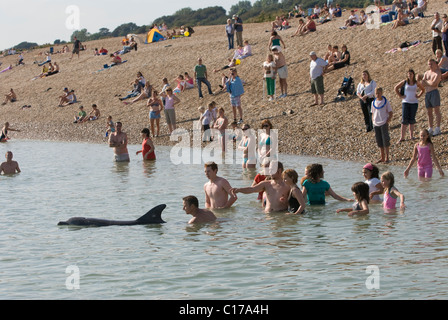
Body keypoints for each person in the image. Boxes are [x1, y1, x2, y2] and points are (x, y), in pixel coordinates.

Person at [394, 69, 425, 142]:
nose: (409, 75)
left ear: (413, 74)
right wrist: (400, 96)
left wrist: (419, 95)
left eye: (411, 74)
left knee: (412, 119)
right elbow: (396, 88)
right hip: (406, 102)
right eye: (408, 74)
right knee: (404, 120)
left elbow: (423, 89)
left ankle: (411, 136)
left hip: (414, 102)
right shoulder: (405, 82)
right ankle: (402, 137)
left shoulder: (416, 82)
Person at [419, 59, 442, 136]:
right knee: (429, 112)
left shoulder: (437, 72)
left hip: (434, 92)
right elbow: (423, 83)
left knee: (436, 110)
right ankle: (430, 127)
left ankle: (438, 127)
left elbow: (434, 83)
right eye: (429, 64)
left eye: (431, 64)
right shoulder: (427, 73)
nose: (430, 65)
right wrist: (428, 82)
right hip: (427, 93)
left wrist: (427, 82)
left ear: (435, 64)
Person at [371, 87, 393, 163]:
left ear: (382, 93)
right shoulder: (373, 102)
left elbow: (390, 112)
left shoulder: (385, 102)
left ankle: (387, 157)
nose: (377, 95)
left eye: (379, 93)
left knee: (385, 140)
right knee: (379, 141)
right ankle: (382, 157)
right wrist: (373, 121)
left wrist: (388, 120)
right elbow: (373, 112)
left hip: (383, 122)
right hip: (376, 123)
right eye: (376, 93)